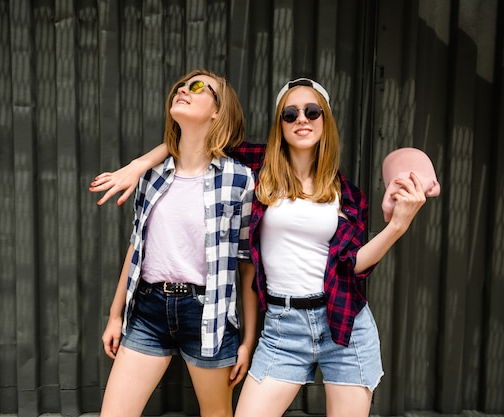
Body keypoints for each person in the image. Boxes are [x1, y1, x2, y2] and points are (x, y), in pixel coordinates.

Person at [91, 77, 428, 417]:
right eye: (290, 114)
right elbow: (196, 141)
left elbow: (353, 265)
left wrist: (397, 226)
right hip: (283, 328)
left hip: (343, 323)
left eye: (312, 112)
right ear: (279, 125)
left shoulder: (348, 194)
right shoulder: (258, 169)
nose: (302, 119)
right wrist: (138, 165)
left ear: (325, 120)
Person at [96, 69, 257, 417]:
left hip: (208, 315)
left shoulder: (240, 179)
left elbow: (246, 266)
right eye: (180, 88)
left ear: (218, 110)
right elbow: (137, 248)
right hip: (148, 311)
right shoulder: (150, 175)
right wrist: (115, 315)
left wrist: (247, 341)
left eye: (197, 87)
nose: (183, 90)